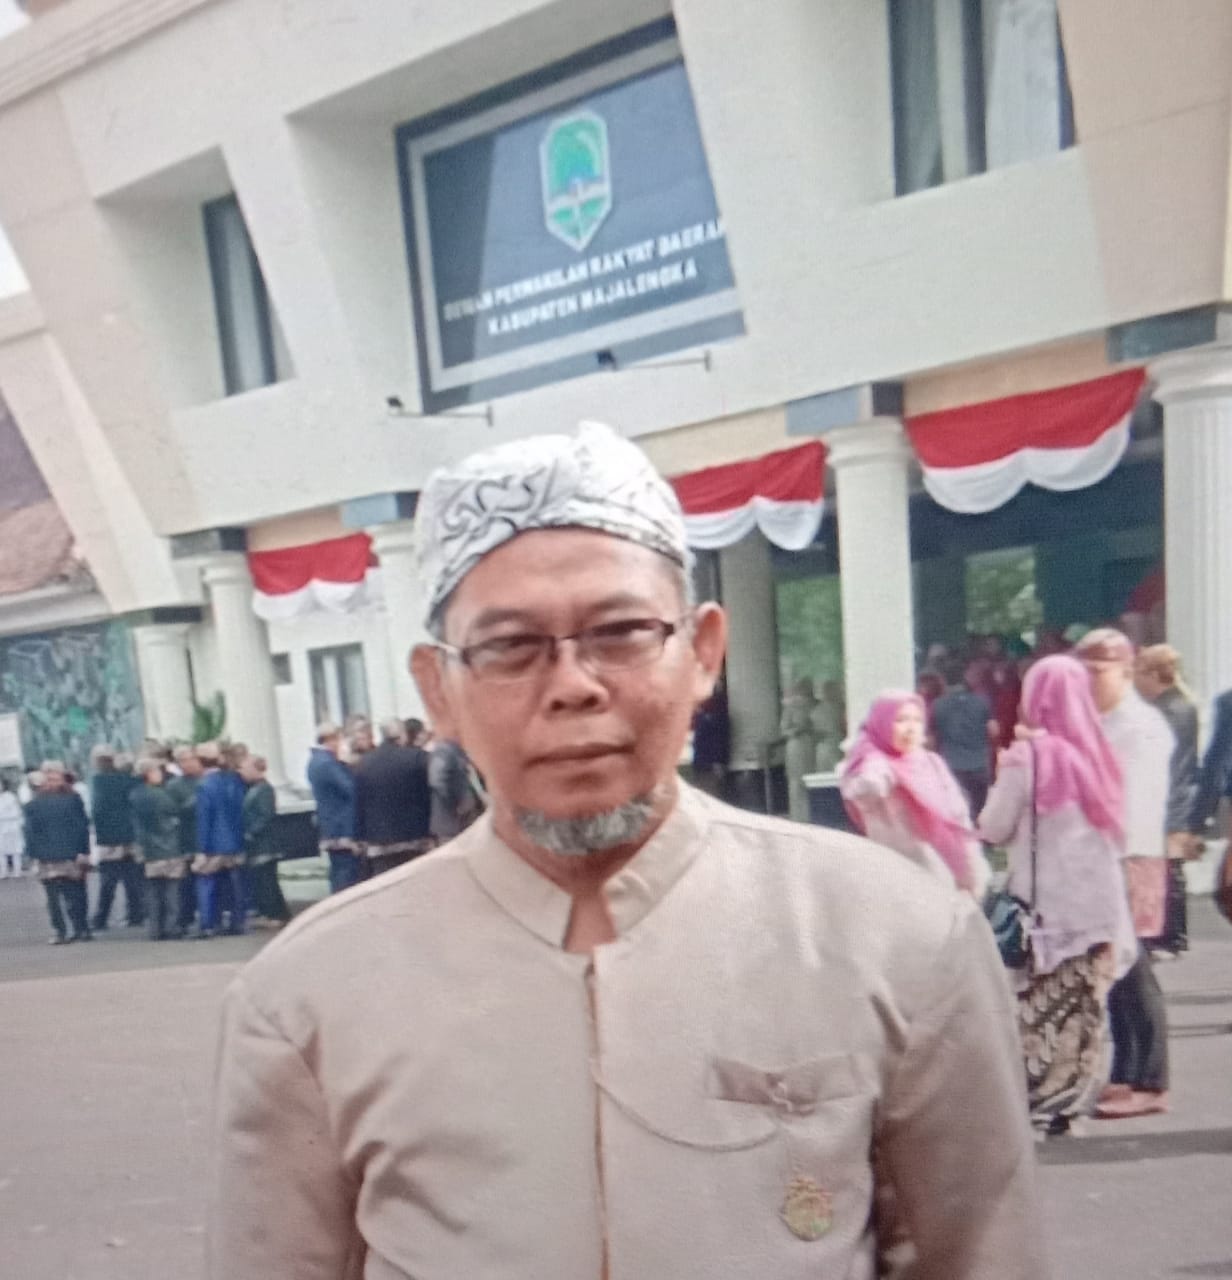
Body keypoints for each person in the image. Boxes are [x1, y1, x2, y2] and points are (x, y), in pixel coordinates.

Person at [209, 422, 1043, 1279]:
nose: (573, 685)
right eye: (509, 647)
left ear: (703, 653)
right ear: (439, 690)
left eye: (621, 632)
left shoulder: (900, 939)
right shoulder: (309, 996)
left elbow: (981, 1256)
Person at [978, 655, 1137, 1134]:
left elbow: (994, 826)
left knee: (1038, 1009)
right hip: (1100, 906)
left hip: (1044, 911)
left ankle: (1033, 1101)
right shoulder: (1101, 754)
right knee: (1085, 1010)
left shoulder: (1027, 757)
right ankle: (1068, 1104)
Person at [1074, 629, 1173, 1119]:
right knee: (1111, 967)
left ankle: (1151, 1079)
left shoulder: (1140, 726)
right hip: (1103, 854)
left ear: (1126, 671)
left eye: (1099, 672)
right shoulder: (1102, 722)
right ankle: (1127, 1069)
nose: (1089, 681)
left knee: (1133, 967)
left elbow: (1129, 801)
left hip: (1128, 853)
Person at [840, 691, 990, 899]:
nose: (911, 728)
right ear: (882, 723)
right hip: (901, 878)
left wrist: (973, 862)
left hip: (951, 869)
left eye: (917, 720)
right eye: (901, 720)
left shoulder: (931, 763)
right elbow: (864, 792)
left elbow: (958, 814)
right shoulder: (873, 764)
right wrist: (879, 773)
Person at [1135, 643, 1199, 955]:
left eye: (1139, 673)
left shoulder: (1168, 711)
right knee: (1169, 865)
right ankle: (1172, 933)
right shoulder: (1180, 705)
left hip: (1170, 794)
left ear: (1153, 675)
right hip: (1178, 791)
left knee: (1169, 866)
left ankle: (1172, 934)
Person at [354, 719, 434, 878]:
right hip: (414, 837)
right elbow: (427, 795)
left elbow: (359, 802)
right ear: (402, 735)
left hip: (378, 841)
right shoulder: (417, 758)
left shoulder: (364, 763)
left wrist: (360, 837)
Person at [25, 762, 92, 944]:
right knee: (76, 894)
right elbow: (82, 827)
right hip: (70, 854)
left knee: (53, 897)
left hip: (47, 857)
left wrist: (33, 856)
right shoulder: (73, 799)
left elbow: (30, 833)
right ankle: (81, 928)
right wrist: (84, 851)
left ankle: (60, 931)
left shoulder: (33, 804)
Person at [129, 756, 188, 940]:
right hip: (168, 846)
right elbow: (175, 811)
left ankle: (155, 928)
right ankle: (172, 927)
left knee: (152, 891)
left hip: (147, 848)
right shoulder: (160, 795)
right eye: (156, 771)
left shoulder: (135, 795)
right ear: (149, 773)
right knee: (171, 890)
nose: (160, 774)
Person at [930, 662, 998, 820]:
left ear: (943, 680)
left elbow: (932, 740)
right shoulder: (983, 701)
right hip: (979, 765)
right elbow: (994, 731)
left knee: (955, 815)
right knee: (978, 814)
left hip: (950, 767)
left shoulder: (937, 705)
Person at [194, 741, 248, 938]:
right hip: (235, 840)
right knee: (235, 884)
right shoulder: (234, 780)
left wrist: (201, 848)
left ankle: (208, 923)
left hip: (214, 843)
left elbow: (204, 818)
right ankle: (237, 921)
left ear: (200, 761)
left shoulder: (204, 786)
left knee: (207, 882)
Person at [90, 747, 145, 930]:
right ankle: (136, 914)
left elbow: (98, 809)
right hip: (130, 835)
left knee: (108, 881)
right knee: (132, 879)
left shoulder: (99, 781)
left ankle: (101, 917)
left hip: (109, 838)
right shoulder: (130, 780)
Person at [307, 724, 363, 893]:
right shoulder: (328, 763)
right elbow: (350, 788)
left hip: (330, 824)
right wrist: (348, 766)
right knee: (346, 874)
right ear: (331, 739)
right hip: (341, 826)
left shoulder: (315, 761)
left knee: (339, 870)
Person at [239, 754, 290, 927]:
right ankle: (272, 912)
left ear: (256, 769)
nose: (242, 772)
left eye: (245, 768)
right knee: (263, 880)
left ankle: (276, 914)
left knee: (267, 880)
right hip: (259, 844)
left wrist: (251, 832)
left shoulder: (264, 790)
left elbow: (266, 815)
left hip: (265, 844)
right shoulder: (256, 788)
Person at [166, 745, 204, 933]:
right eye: (183, 761)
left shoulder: (206, 780)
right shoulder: (174, 786)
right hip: (187, 838)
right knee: (187, 883)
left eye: (191, 759)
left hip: (207, 837)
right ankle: (186, 917)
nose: (188, 764)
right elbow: (172, 811)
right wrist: (194, 801)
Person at [428, 734, 482, 840]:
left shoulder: (456, 750)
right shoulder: (443, 751)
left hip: (462, 816)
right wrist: (454, 802)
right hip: (452, 819)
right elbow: (436, 780)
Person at [780, 678, 818, 822]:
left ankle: (812, 814)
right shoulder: (791, 708)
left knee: (813, 780)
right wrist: (798, 729)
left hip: (812, 746)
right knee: (796, 782)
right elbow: (784, 731)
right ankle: (798, 816)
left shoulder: (816, 705)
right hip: (796, 747)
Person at [0, 777, 24, 877]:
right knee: (1, 851)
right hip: (1, 828)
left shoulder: (10, 796)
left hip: (12, 827)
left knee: (16, 850)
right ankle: (3, 871)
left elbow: (16, 812)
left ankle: (17, 871)